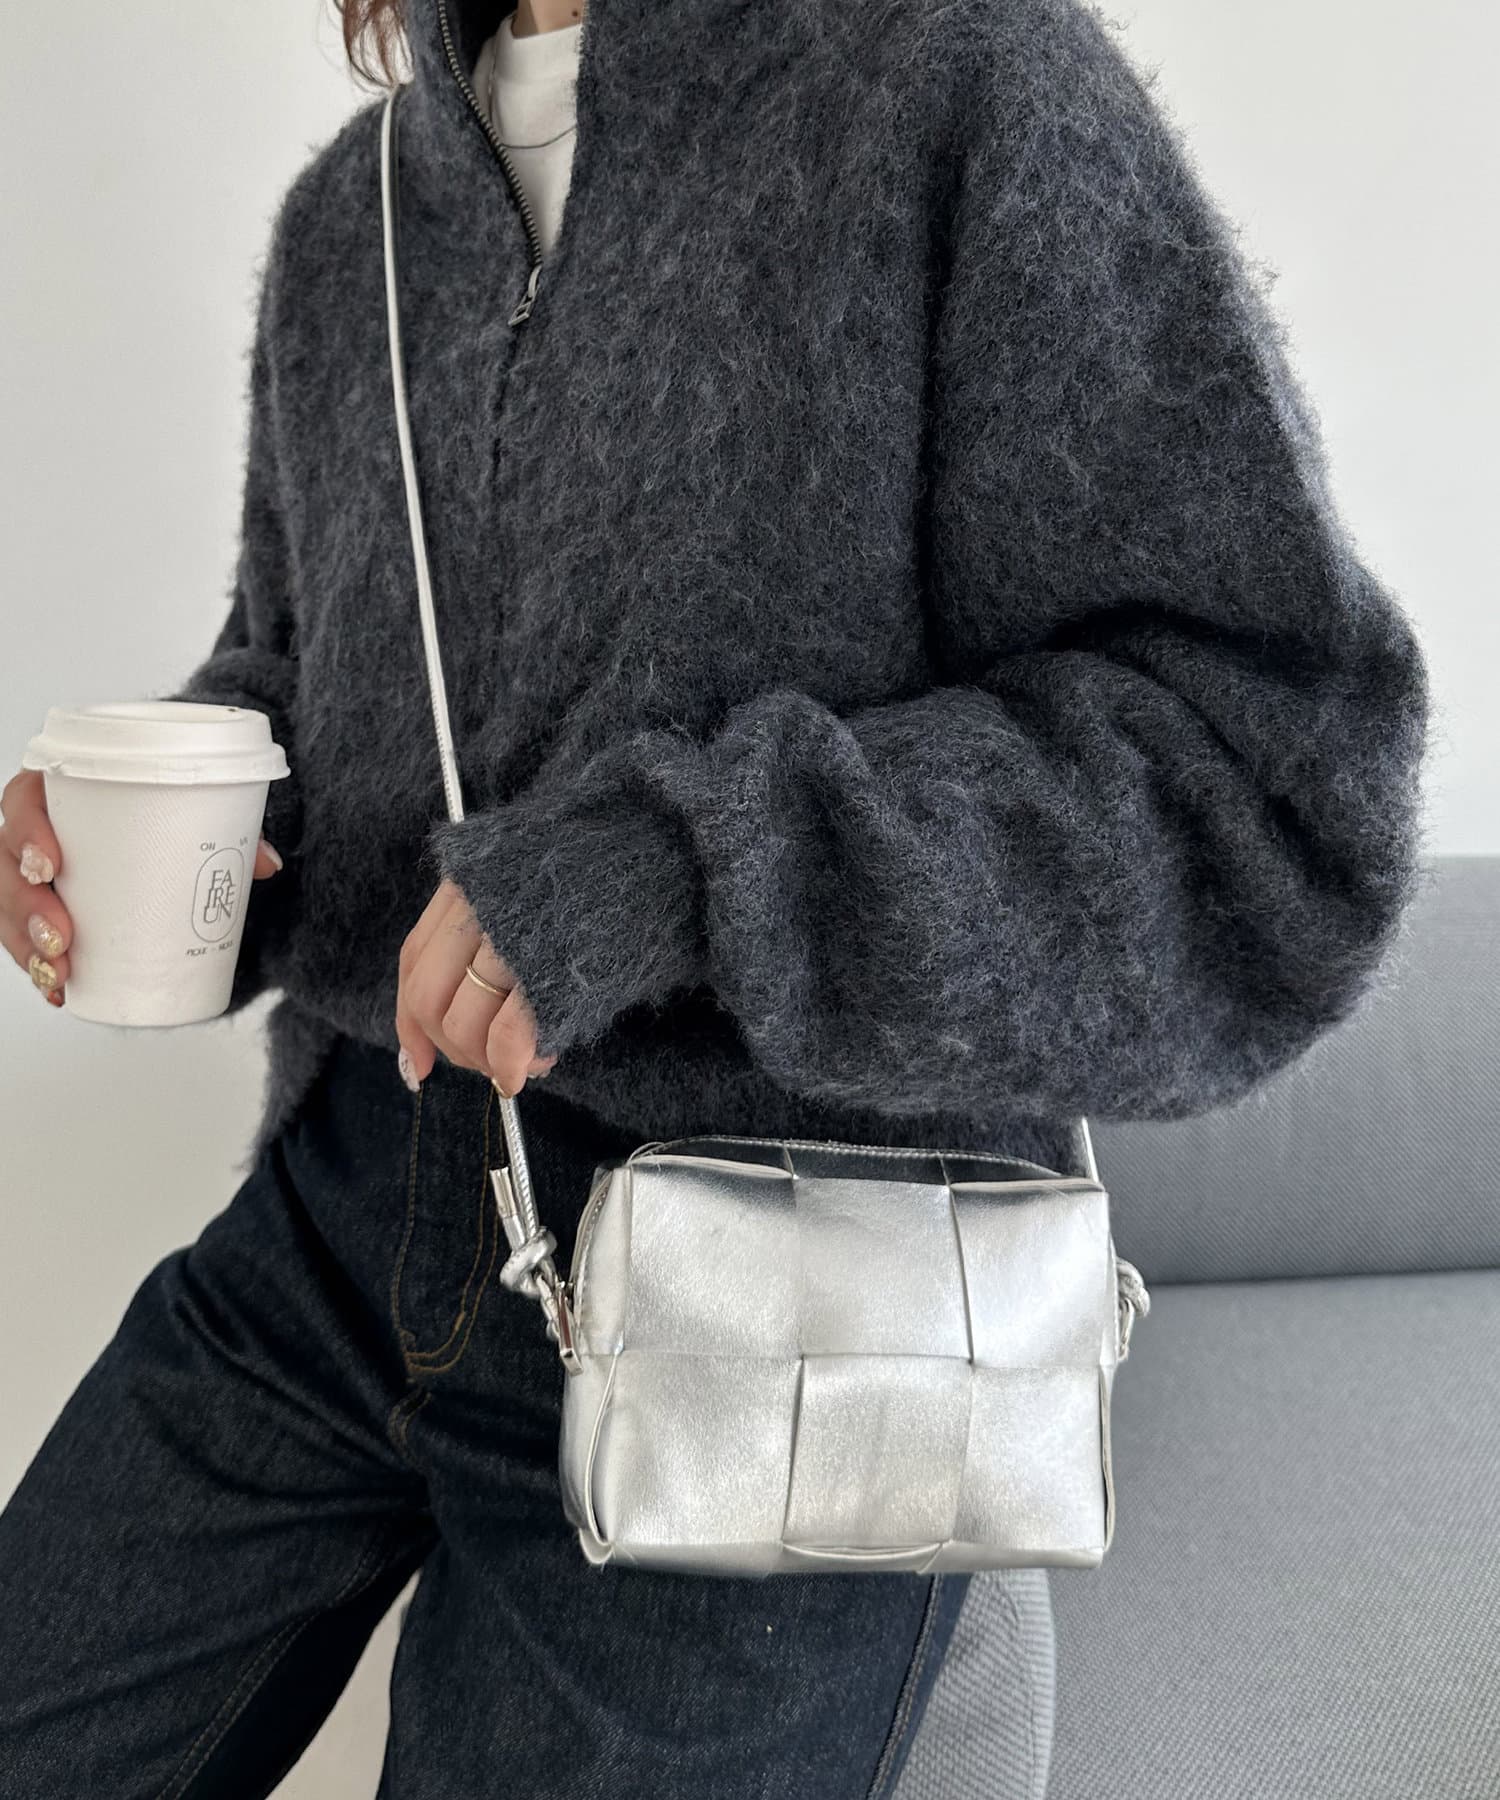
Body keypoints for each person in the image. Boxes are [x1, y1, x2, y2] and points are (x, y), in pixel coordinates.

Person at [0, 0, 1431, 1793]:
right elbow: (327, 688)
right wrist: (186, 814)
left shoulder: (970, 92)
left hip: (772, 1301)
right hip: (346, 1213)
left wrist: (684, 859)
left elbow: (1266, 794)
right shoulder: (348, 222)